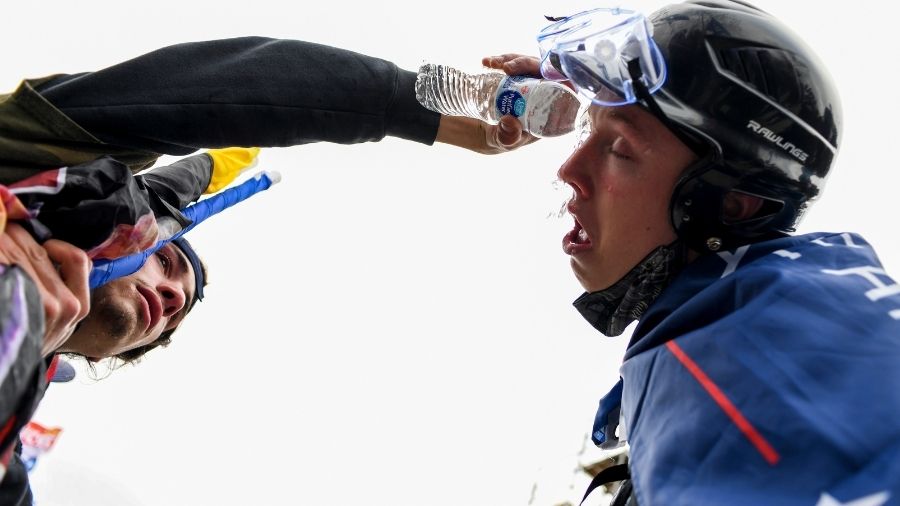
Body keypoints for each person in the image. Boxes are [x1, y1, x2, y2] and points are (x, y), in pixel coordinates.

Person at [0, 36, 534, 502]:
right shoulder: (31, 154)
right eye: (164, 261)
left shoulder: (10, 446)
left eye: (175, 313)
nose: (169, 298)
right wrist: (427, 108)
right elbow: (222, 88)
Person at [482, 1, 898, 504]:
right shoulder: (784, 309)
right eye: (589, 131)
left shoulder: (741, 342)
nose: (568, 169)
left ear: (733, 204)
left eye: (619, 149)